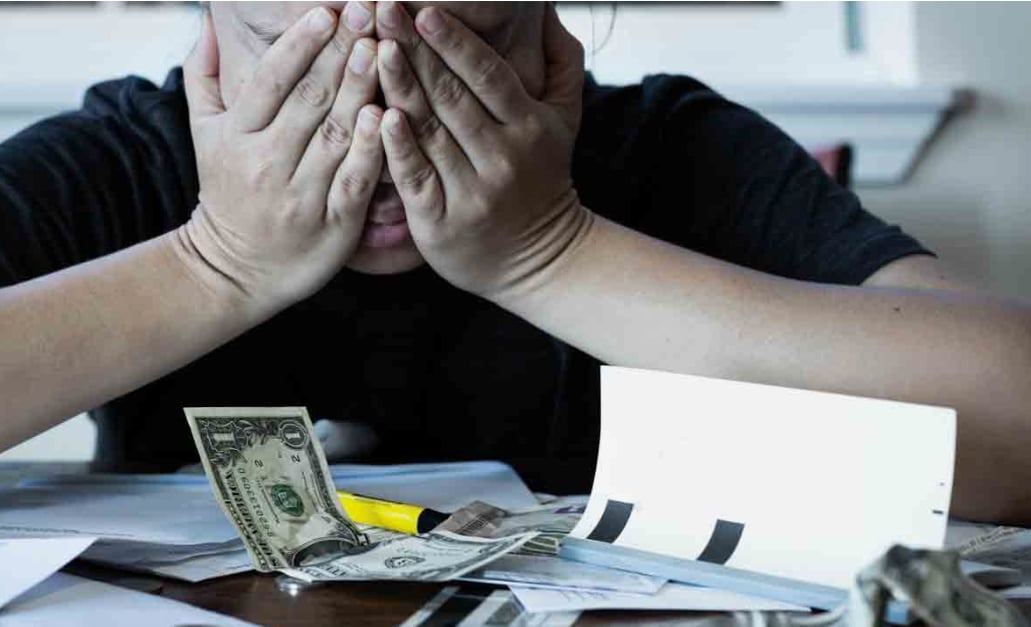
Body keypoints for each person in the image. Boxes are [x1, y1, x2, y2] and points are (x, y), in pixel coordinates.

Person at [0, 2, 1028, 523]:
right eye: (295, 46)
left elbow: (1014, 420)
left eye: (465, 44)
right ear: (210, 44)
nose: (382, 117)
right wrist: (214, 263)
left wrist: (551, 251)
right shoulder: (128, 159)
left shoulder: (672, 151)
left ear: (554, 44)